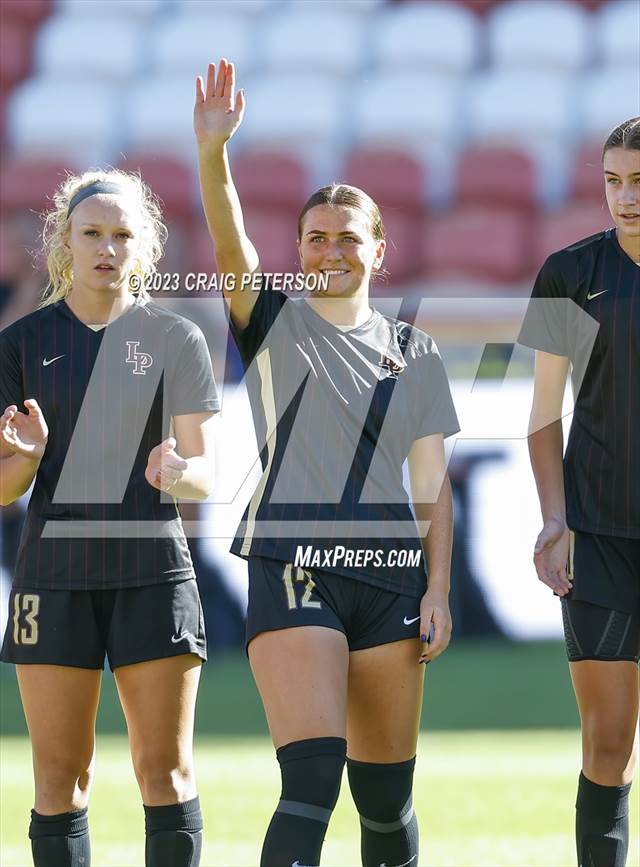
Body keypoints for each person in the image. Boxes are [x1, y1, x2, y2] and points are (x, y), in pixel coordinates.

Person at [194, 59, 459, 866]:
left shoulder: (417, 353)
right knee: (311, 777)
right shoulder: (273, 321)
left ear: (381, 250)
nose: (331, 249)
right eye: (316, 237)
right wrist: (214, 154)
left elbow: (432, 488)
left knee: (385, 801)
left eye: (349, 237)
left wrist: (438, 587)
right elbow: (231, 244)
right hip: (293, 561)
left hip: (391, 573)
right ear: (299, 249)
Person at [0, 169, 220, 867]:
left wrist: (180, 471)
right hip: (54, 577)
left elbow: (209, 473)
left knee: (166, 774)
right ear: (64, 240)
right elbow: (2, 491)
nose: (106, 247)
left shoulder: (176, 337)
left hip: (152, 571)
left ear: (145, 245)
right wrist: (27, 459)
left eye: (122, 234)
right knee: (60, 781)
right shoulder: (21, 343)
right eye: (92, 232)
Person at [520, 117, 639, 867]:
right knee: (607, 743)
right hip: (597, 536)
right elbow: (541, 414)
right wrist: (555, 517)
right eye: (614, 182)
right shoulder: (569, 272)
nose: (625, 198)